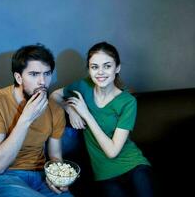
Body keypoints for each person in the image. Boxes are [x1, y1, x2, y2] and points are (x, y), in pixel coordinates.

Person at [50, 42, 153, 197]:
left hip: (134, 165)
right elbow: (53, 95)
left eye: (107, 66)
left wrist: (86, 114)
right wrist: (70, 108)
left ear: (117, 68)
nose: (100, 72)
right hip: (105, 174)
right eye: (94, 67)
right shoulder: (84, 86)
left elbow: (112, 151)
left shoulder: (128, 102)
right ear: (89, 69)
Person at [0, 44, 73, 197]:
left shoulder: (54, 108)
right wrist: (26, 119)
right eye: (34, 74)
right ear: (19, 77)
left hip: (41, 177)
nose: (42, 81)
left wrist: (57, 177)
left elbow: (55, 156)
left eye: (47, 74)